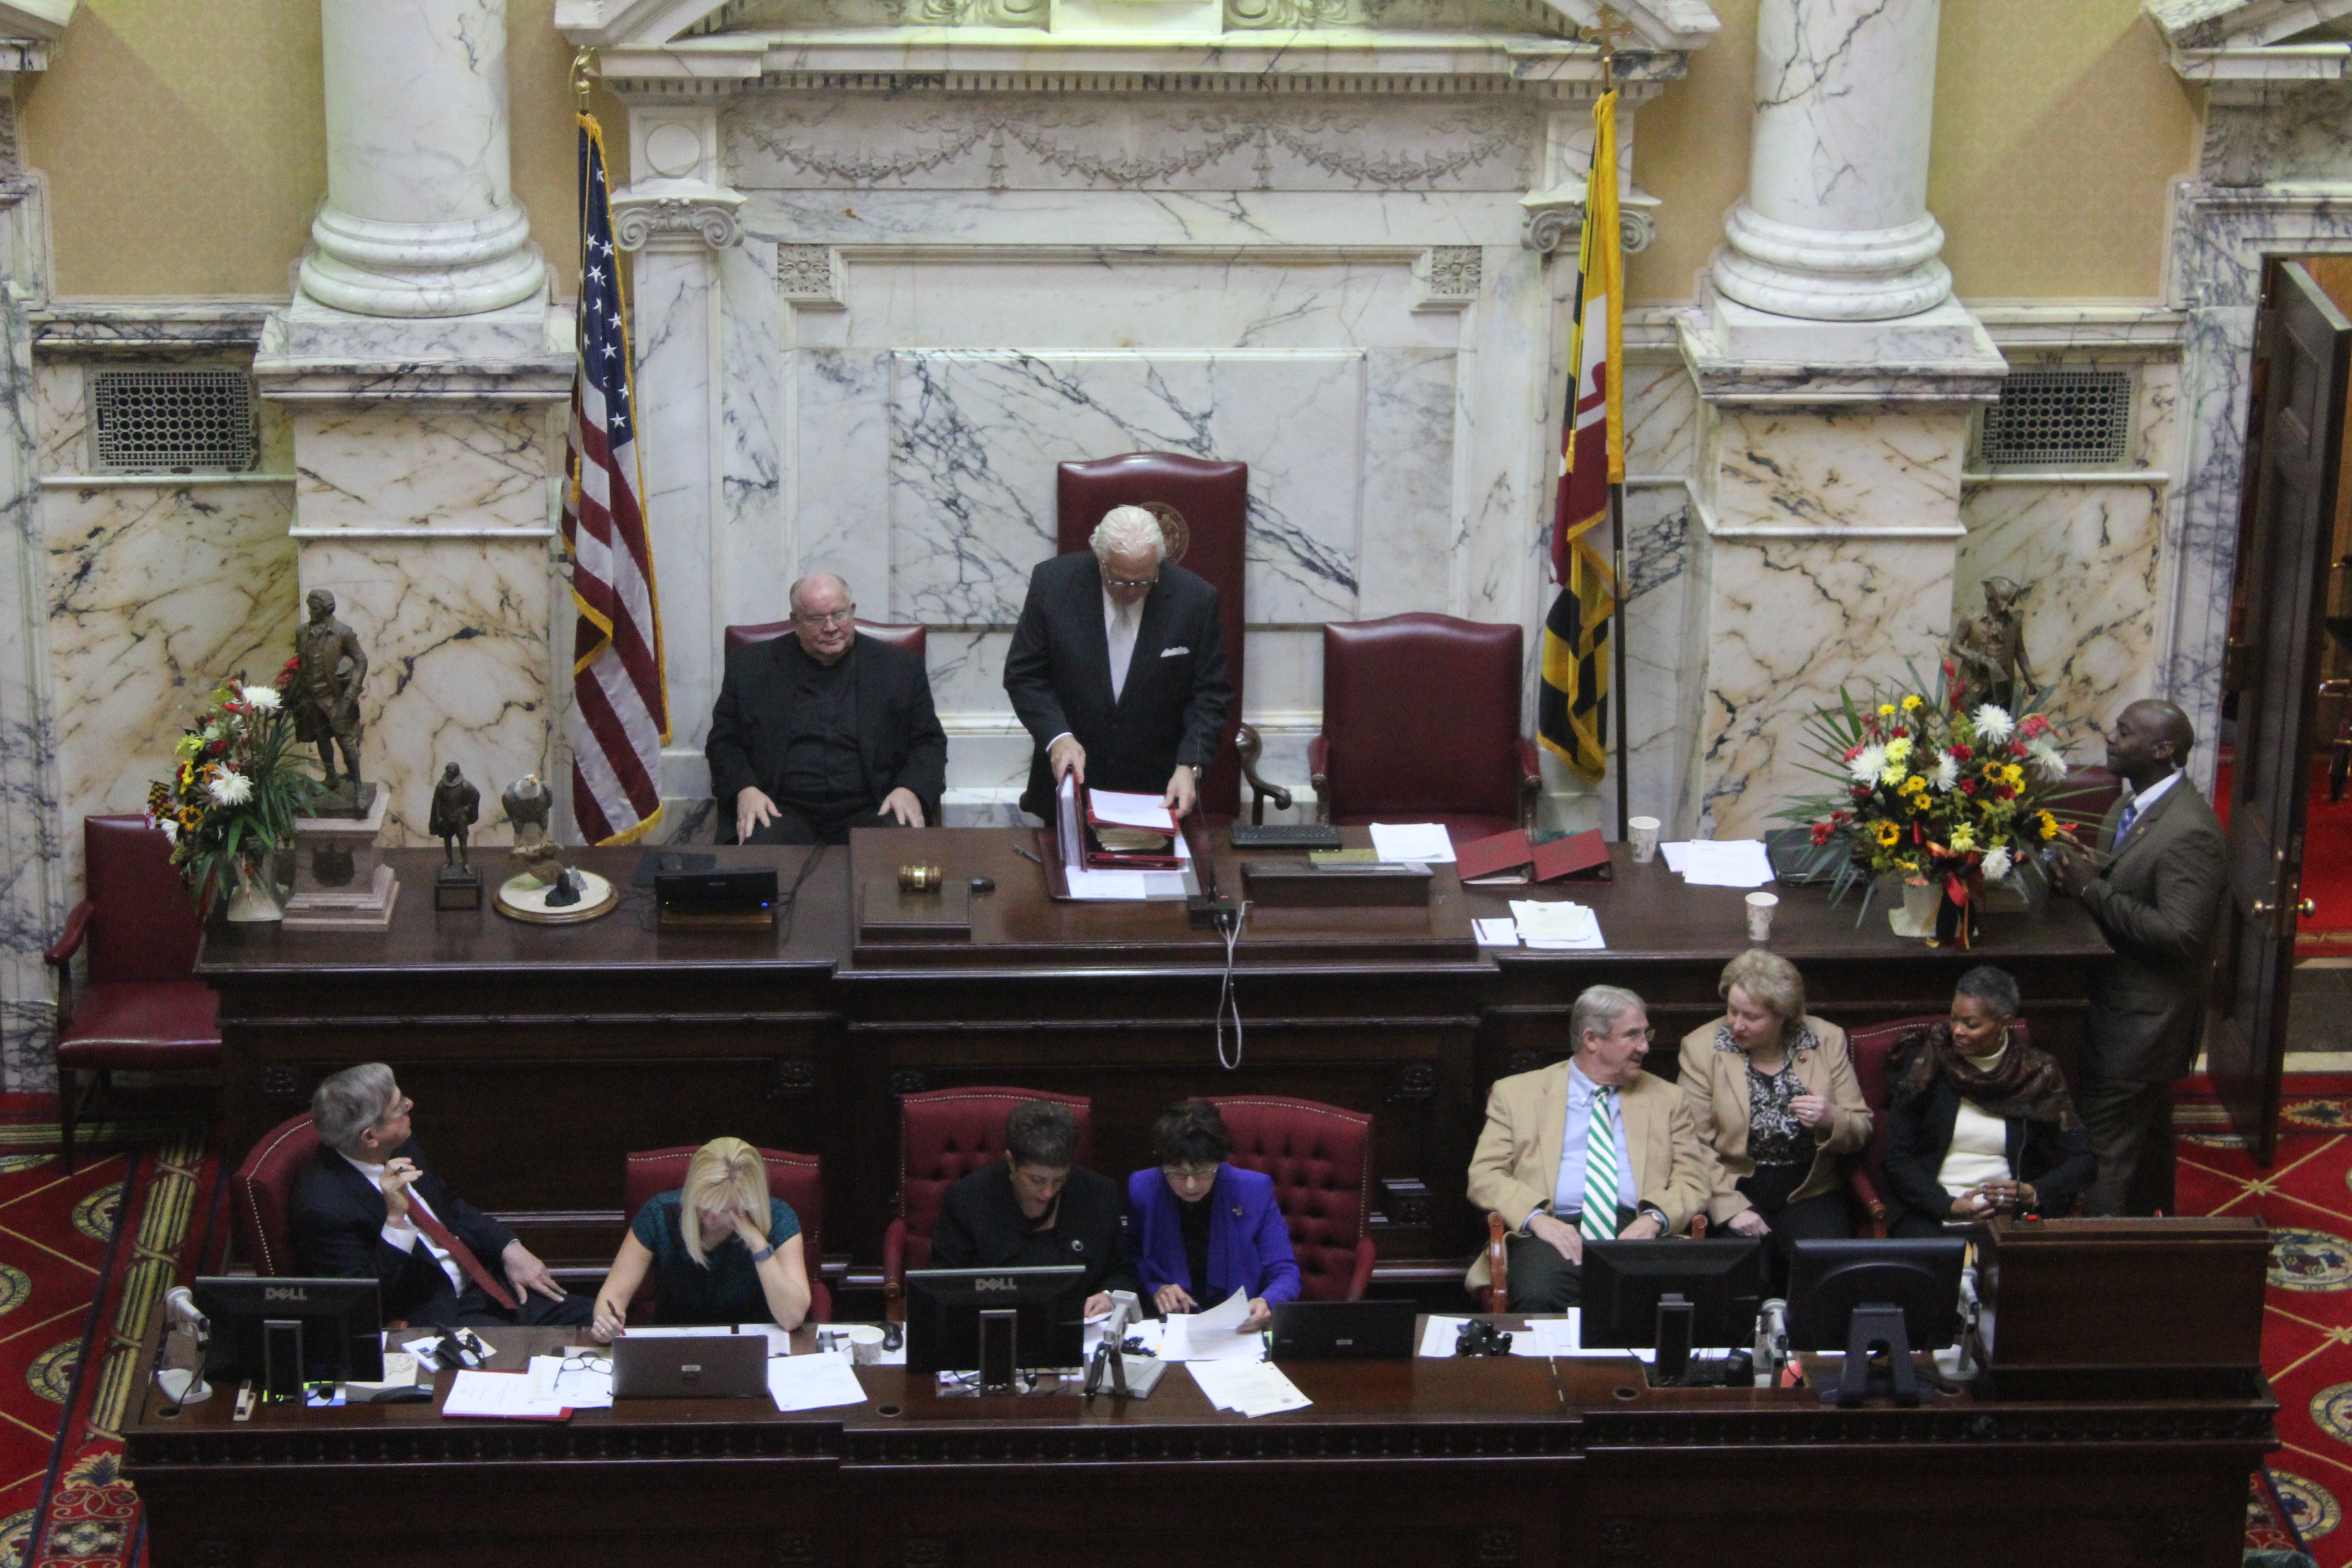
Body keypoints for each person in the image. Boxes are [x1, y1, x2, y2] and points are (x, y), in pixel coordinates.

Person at [2048, 697, 2228, 1215]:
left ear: (2162, 748)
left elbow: (2181, 934)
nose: (2111, 737)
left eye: (2124, 732)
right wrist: (2079, 874)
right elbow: (2121, 884)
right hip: (2122, 1007)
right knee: (2147, 1142)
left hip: (2145, 1024)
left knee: (2103, 1152)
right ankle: (2154, 1254)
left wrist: (2092, 891)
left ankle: (2101, 1275)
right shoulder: (2131, 804)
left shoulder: (2190, 831)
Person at [1465, 985, 1711, 1311]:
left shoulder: (1667, 1099)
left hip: (1638, 1228)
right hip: (1553, 1227)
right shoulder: (1517, 1095)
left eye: (1646, 1033)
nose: (1646, 1046)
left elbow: (1694, 1182)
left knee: (1662, 1300)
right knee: (1540, 1294)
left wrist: (1654, 1220)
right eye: (1633, 1035)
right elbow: (1484, 1176)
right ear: (1592, 1039)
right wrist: (1538, 1220)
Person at [290, 1063, 590, 1329]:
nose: (410, 1104)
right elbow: (362, 1302)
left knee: (597, 1321)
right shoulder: (324, 1207)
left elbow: (451, 1209)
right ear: (370, 1137)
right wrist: (395, 1223)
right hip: (440, 1318)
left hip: (488, 1287)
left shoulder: (399, 1144)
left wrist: (508, 1247)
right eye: (399, 1107)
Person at [1003, 505, 1233, 823]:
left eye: (1145, 581)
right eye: (1120, 581)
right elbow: (1024, 675)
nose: (1133, 592)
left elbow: (1210, 695)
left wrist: (1190, 765)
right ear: (1101, 560)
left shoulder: (1195, 600)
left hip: (1157, 793)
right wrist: (1058, 737)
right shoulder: (1053, 585)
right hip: (1070, 787)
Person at [706, 571, 947, 845]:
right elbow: (723, 742)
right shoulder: (751, 667)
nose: (831, 627)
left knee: (897, 850)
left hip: (874, 807)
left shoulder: (899, 668)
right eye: (817, 619)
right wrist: (745, 790)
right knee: (757, 853)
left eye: (839, 615)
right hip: (780, 809)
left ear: (853, 612)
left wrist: (910, 789)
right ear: (795, 621)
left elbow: (929, 742)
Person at [1677, 950, 1867, 1276]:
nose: (1736, 1024)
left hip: (1811, 1188)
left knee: (1823, 1273)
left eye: (1750, 1017)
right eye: (1732, 1010)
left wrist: (1831, 1119)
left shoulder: (1826, 1040)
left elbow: (1861, 1129)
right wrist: (1729, 1208)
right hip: (1735, 1186)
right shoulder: (1702, 1048)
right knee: (1747, 1273)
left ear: (1782, 1016)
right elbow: (1692, 1145)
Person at [1880, 965, 2095, 1236]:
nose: (1957, 1031)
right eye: (1954, 1019)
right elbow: (1897, 1157)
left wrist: (2033, 1192)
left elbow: (2083, 1160)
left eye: (1971, 1025)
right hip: (1930, 1210)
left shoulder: (2036, 1074)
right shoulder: (1926, 1064)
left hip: (2009, 1216)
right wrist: (1948, 1205)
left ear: (2004, 1023)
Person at [929, 1100, 1137, 1318]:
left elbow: (1122, 1270)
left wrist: (1108, 1295)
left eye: (1059, 1180)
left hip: (1082, 1333)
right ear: (1011, 1162)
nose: (1048, 1192)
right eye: (1037, 1180)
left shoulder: (1098, 1195)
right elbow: (945, 1286)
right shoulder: (966, 1201)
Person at [589, 1138, 811, 1338]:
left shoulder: (779, 1218)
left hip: (752, 1346)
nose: (710, 1219)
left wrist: (757, 1243)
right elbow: (611, 1298)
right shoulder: (659, 1213)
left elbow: (792, 1318)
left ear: (749, 1203)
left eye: (725, 1210)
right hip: (673, 1346)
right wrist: (607, 1324)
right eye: (703, 1204)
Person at [1125, 1100, 1301, 1331]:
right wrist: (1155, 1288)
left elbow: (1285, 1271)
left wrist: (1267, 1301)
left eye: (1202, 1172)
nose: (1190, 1185)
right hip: (1172, 1326)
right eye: (1178, 1173)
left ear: (1219, 1163)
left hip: (1240, 1328)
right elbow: (1133, 1260)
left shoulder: (1254, 1191)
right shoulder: (1143, 1189)